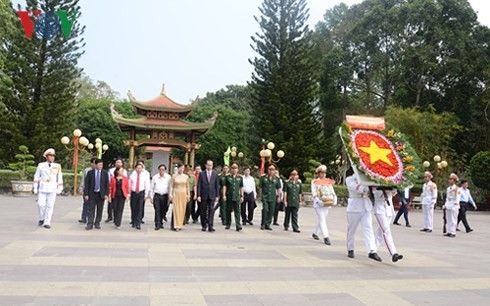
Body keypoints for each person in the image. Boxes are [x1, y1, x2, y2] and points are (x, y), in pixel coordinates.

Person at [345, 173, 381, 261]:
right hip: (354, 207)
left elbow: (374, 191)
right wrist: (367, 187)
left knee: (368, 228)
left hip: (366, 207)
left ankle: (372, 250)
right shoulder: (350, 179)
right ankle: (350, 248)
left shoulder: (367, 178)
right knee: (352, 229)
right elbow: (355, 188)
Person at [33, 148, 63, 229]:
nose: (52, 158)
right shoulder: (41, 165)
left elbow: (59, 177)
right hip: (43, 187)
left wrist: (60, 187)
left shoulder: (57, 166)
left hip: (52, 188)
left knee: (50, 205)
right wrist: (35, 187)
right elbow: (36, 176)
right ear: (46, 157)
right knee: (40, 204)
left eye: (53, 156)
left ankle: (47, 221)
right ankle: (42, 218)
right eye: (50, 156)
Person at [372, 187, 403, 262]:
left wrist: (392, 188)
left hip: (389, 209)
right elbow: (373, 192)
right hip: (379, 209)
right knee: (386, 231)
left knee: (380, 232)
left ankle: (372, 250)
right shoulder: (374, 183)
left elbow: (394, 193)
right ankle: (393, 253)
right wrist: (382, 188)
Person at [311, 165, 337, 245]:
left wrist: (335, 199)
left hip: (327, 202)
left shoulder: (328, 181)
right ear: (319, 173)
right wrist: (318, 200)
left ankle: (315, 233)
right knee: (322, 219)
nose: (323, 174)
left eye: (324, 173)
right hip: (319, 203)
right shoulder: (314, 181)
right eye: (322, 173)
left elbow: (332, 191)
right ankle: (326, 237)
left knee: (322, 219)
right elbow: (314, 193)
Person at [83, 159, 110, 230]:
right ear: (95, 165)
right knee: (91, 209)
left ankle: (97, 223)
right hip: (92, 194)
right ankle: (90, 223)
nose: (101, 166)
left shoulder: (105, 173)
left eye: (102, 165)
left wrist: (106, 194)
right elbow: (87, 184)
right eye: (99, 165)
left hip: (101, 194)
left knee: (99, 209)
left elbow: (107, 184)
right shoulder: (90, 173)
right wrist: (86, 194)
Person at [197, 160, 220, 232]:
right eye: (208, 165)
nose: (210, 166)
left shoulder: (215, 174)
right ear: (206, 165)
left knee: (211, 210)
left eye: (211, 165)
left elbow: (217, 185)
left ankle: (210, 225)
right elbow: (199, 185)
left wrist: (217, 195)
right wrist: (198, 195)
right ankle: (204, 225)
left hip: (212, 195)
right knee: (203, 210)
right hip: (203, 195)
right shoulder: (202, 174)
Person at [258, 165, 281, 231]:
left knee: (271, 211)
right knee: (265, 209)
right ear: (267, 170)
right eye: (270, 170)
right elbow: (260, 187)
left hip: (273, 197)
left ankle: (267, 224)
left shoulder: (276, 179)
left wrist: (279, 196)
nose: (271, 171)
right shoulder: (263, 178)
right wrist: (260, 195)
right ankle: (263, 224)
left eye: (273, 170)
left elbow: (278, 188)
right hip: (265, 196)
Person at [222, 162, 244, 231]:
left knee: (237, 211)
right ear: (231, 169)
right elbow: (224, 186)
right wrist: (224, 195)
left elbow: (241, 187)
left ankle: (238, 225)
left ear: (238, 169)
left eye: (236, 168)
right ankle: (228, 224)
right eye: (233, 168)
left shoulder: (240, 177)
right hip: (229, 196)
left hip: (236, 197)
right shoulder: (227, 177)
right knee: (228, 211)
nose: (234, 170)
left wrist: (242, 196)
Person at [129, 163, 150, 230]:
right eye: (138, 168)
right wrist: (129, 194)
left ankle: (138, 223)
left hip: (141, 193)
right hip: (133, 193)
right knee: (133, 207)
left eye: (140, 168)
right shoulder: (132, 175)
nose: (139, 169)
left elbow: (147, 185)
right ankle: (134, 221)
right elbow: (130, 185)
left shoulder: (145, 175)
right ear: (135, 168)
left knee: (140, 208)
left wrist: (146, 194)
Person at [150, 164, 171, 231]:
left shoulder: (168, 177)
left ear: (165, 170)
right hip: (157, 195)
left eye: (163, 169)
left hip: (165, 196)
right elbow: (152, 188)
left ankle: (161, 222)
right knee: (157, 210)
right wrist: (151, 197)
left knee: (163, 210)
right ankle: (157, 224)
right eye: (160, 169)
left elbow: (170, 187)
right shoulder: (155, 177)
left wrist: (170, 196)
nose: (161, 171)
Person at [169, 164, 190, 231]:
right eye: (180, 168)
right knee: (176, 209)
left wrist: (188, 195)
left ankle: (180, 224)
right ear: (178, 168)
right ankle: (176, 225)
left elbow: (187, 187)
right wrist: (170, 194)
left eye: (183, 168)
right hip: (176, 193)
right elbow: (171, 186)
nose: (181, 169)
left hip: (183, 194)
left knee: (182, 209)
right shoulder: (174, 176)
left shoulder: (186, 177)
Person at [106, 158, 128, 223]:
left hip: (122, 194)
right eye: (117, 162)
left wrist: (127, 194)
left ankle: (118, 222)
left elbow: (126, 186)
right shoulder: (111, 173)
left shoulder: (125, 175)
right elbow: (110, 184)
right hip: (114, 194)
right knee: (114, 207)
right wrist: (109, 194)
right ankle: (111, 217)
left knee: (120, 208)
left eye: (120, 162)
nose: (118, 163)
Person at [78, 157, 96, 224]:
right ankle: (83, 218)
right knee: (86, 204)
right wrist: (81, 188)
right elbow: (83, 180)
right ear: (91, 163)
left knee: (92, 205)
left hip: (95, 190)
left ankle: (91, 218)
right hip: (87, 190)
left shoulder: (99, 171)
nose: (95, 164)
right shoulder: (87, 170)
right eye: (94, 163)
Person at [443, 173, 461, 238]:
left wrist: (455, 205)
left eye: (451, 179)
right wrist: (445, 205)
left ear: (454, 180)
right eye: (449, 179)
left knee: (453, 219)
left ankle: (453, 232)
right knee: (448, 219)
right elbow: (447, 198)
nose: (449, 180)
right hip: (449, 205)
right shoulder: (448, 188)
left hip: (454, 205)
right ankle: (449, 231)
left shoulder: (457, 188)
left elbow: (457, 198)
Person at [136, 160, 150, 224]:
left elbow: (147, 184)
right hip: (135, 192)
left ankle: (140, 218)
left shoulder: (146, 173)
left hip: (142, 191)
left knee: (141, 206)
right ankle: (134, 218)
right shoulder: (134, 173)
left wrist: (146, 194)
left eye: (141, 164)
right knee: (134, 206)